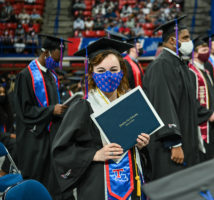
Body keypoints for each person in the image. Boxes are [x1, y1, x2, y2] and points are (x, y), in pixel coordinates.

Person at [52, 38, 151, 200]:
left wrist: (142, 144)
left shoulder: (130, 103)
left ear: (122, 72)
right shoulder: (83, 107)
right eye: (101, 71)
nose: (108, 75)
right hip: (98, 184)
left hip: (133, 180)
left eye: (113, 69)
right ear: (91, 73)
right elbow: (61, 150)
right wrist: (94, 154)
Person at [143, 16, 214, 180]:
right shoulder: (162, 65)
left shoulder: (178, 64)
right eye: (185, 38)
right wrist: (174, 143)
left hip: (185, 141)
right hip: (168, 147)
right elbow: (163, 104)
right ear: (171, 40)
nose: (189, 42)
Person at [14, 35, 70, 199]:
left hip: (51, 137)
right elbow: (24, 111)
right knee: (37, 181)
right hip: (34, 140)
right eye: (57, 57)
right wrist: (52, 110)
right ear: (46, 53)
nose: (59, 62)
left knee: (52, 182)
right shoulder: (26, 76)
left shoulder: (51, 76)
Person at [188, 35, 214, 159]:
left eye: (208, 50)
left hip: (212, 120)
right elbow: (192, 100)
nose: (207, 53)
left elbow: (210, 94)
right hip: (201, 123)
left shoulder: (205, 71)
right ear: (195, 54)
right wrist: (207, 114)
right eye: (203, 51)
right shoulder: (191, 72)